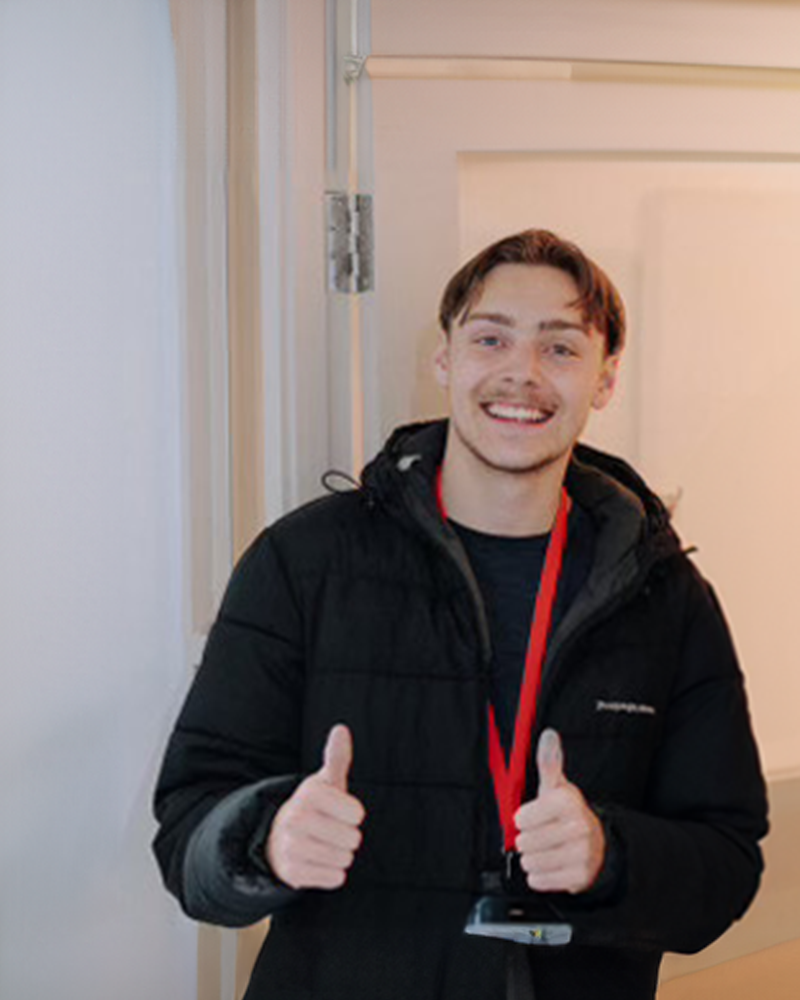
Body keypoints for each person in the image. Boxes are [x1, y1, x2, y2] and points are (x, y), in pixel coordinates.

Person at [153, 229, 768, 1000]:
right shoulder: (302, 563)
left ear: (605, 379)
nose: (522, 373)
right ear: (444, 360)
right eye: (491, 338)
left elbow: (727, 863)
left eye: (561, 349)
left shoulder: (664, 594)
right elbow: (186, 829)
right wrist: (266, 837)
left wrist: (612, 855)